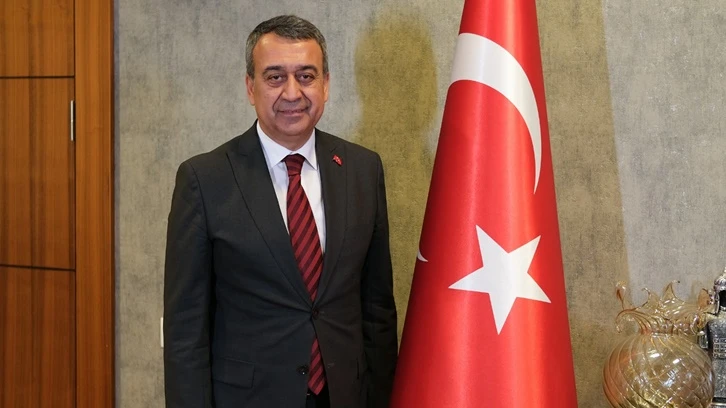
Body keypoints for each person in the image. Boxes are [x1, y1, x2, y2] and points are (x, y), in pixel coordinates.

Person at [163, 14, 398, 408]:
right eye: (275, 77)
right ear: (250, 87)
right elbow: (185, 332)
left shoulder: (363, 169)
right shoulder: (204, 180)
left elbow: (377, 310)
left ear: (326, 84)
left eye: (306, 76)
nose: (292, 93)